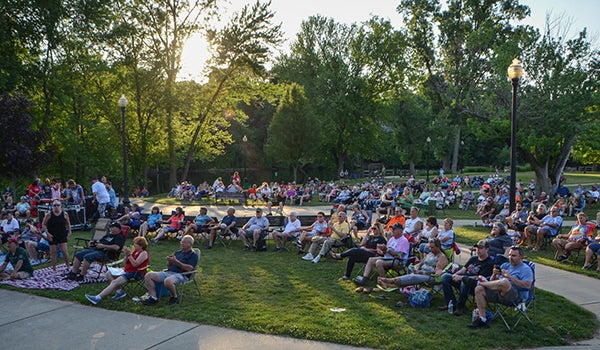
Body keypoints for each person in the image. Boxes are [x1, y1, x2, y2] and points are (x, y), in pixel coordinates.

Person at [469, 246, 533, 328]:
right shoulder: (505, 265)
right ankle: (482, 319)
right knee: (479, 289)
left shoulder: (526, 269)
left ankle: (481, 283)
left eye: (514, 256)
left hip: (516, 296)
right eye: (509, 255)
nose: (510, 257)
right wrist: (494, 274)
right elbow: (493, 282)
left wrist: (510, 277)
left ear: (521, 257)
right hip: (499, 293)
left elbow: (528, 286)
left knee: (504, 282)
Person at [84, 236, 150, 304]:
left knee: (114, 282)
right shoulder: (135, 252)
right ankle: (119, 292)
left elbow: (135, 264)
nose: (134, 245)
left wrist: (129, 255)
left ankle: (97, 298)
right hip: (127, 270)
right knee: (108, 273)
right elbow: (125, 263)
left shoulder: (144, 253)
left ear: (141, 246)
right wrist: (126, 255)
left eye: (135, 244)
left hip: (136, 273)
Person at [440, 239, 494, 316]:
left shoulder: (489, 263)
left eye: (481, 248)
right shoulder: (473, 258)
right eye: (477, 248)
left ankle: (460, 307)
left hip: (475, 285)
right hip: (463, 279)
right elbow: (463, 270)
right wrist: (455, 274)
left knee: (466, 281)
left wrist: (461, 277)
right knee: (445, 277)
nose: (478, 250)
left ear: (487, 249)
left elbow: (480, 278)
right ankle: (451, 303)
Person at [141, 235, 198, 306]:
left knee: (167, 281)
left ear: (190, 244)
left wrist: (176, 261)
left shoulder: (193, 255)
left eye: (184, 242)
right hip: (169, 272)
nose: (181, 243)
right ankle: (153, 297)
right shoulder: (178, 253)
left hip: (182, 275)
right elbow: (169, 266)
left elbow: (189, 268)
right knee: (148, 275)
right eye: (181, 242)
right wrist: (170, 262)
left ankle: (174, 297)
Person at [377, 238, 449, 290]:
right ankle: (389, 285)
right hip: (421, 273)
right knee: (411, 272)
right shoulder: (430, 253)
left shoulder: (441, 257)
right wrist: (416, 268)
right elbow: (421, 263)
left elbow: (436, 273)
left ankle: (389, 280)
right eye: (429, 247)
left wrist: (421, 272)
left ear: (438, 247)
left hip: (431, 278)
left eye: (432, 247)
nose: (430, 249)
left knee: (413, 277)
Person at [41, 200, 72, 271]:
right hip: (52, 235)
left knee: (64, 251)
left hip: (62, 234)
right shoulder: (49, 215)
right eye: (54, 205)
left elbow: (68, 223)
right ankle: (54, 268)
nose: (56, 207)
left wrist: (69, 231)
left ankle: (68, 266)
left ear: (61, 206)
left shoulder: (65, 214)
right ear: (52, 207)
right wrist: (47, 233)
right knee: (53, 252)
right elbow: (43, 224)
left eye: (58, 205)